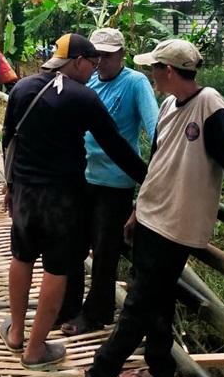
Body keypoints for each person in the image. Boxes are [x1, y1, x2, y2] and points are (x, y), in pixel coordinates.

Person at [73, 39, 224, 377]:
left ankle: (96, 375)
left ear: (168, 71)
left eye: (154, 68)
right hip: (152, 216)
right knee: (158, 301)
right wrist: (138, 208)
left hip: (176, 225)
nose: (151, 74)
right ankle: (161, 372)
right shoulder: (169, 104)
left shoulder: (209, 106)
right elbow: (158, 162)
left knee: (139, 303)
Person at [0, 33, 147, 370]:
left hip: (23, 192)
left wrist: (9, 185)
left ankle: (16, 333)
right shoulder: (83, 97)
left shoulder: (22, 88)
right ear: (78, 61)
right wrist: (149, 178)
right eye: (92, 64)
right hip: (62, 199)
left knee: (21, 257)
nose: (94, 70)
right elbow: (116, 147)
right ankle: (35, 350)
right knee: (57, 268)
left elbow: (9, 138)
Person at [59, 28, 159, 336]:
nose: (101, 61)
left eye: (108, 55)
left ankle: (97, 313)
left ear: (122, 55)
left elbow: (157, 129)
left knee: (104, 251)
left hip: (115, 182)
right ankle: (69, 306)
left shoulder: (135, 83)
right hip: (82, 176)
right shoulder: (86, 81)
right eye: (97, 55)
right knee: (72, 245)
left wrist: (152, 182)